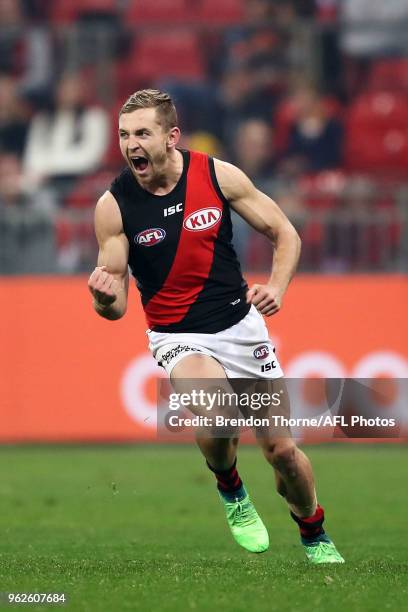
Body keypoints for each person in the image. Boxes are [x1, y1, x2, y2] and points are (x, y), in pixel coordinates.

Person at [88, 89, 344, 564]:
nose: (131, 145)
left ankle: (314, 532)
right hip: (178, 335)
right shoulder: (114, 205)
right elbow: (117, 304)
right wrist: (104, 296)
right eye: (124, 135)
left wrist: (278, 287)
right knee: (220, 415)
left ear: (171, 136)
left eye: (143, 133)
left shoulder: (216, 174)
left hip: (241, 327)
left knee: (283, 453)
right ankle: (232, 490)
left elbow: (284, 232)